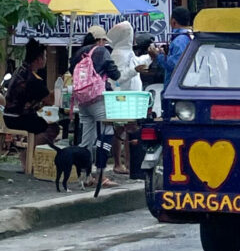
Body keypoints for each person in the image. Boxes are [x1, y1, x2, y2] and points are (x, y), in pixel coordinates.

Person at [71, 26, 121, 186]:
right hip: (98, 99)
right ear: (100, 40)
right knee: (106, 133)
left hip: (82, 100)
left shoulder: (78, 53)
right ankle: (100, 175)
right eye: (104, 41)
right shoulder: (101, 51)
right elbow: (115, 73)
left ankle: (85, 176)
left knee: (86, 139)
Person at [106, 21, 153, 174]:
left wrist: (150, 57)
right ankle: (121, 163)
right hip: (122, 98)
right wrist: (135, 70)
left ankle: (128, 163)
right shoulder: (118, 54)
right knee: (123, 130)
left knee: (127, 129)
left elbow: (137, 63)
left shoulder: (128, 52)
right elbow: (117, 78)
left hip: (131, 98)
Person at [3, 38, 60, 149]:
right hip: (18, 118)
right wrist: (58, 90)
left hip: (7, 116)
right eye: (45, 56)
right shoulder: (33, 79)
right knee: (52, 128)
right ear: (39, 59)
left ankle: (28, 150)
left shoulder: (19, 70)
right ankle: (28, 151)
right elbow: (49, 100)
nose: (46, 59)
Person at [154, 7, 193, 88]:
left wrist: (157, 56)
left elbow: (175, 65)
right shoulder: (190, 35)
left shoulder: (180, 40)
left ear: (173, 22)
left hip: (176, 87)